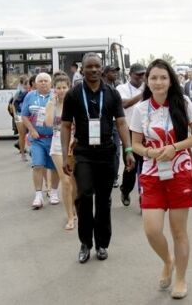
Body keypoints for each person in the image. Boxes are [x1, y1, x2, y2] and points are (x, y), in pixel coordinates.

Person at [130, 59, 192, 299]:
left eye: (163, 77)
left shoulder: (182, 103)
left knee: (179, 231)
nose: (158, 82)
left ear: (170, 80)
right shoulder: (141, 109)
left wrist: (175, 147)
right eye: (153, 78)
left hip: (180, 172)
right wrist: (149, 152)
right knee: (152, 230)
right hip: (151, 174)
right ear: (147, 81)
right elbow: (135, 145)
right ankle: (167, 260)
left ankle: (181, 279)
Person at [60, 52, 135, 264]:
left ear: (101, 69)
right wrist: (66, 154)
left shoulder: (111, 94)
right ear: (82, 69)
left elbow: (121, 122)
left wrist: (128, 151)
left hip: (107, 152)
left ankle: (102, 244)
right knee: (84, 197)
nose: (93, 70)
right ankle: (85, 243)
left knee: (104, 200)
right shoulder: (73, 94)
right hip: (83, 152)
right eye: (89, 66)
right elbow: (65, 126)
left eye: (97, 66)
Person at [22, 73, 60, 208]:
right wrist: (31, 130)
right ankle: (38, 195)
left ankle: (54, 192)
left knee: (55, 168)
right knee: (37, 165)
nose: (43, 83)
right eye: (40, 81)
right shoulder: (30, 96)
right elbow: (24, 116)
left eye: (46, 81)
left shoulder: (56, 95)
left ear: (50, 83)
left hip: (54, 138)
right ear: (35, 84)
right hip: (37, 139)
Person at [45, 73, 78, 230]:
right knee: (65, 181)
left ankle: (75, 208)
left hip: (75, 145)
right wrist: (53, 104)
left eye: (64, 87)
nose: (62, 90)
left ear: (69, 87)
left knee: (74, 182)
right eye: (58, 88)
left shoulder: (76, 102)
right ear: (54, 89)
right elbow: (48, 123)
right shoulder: (51, 104)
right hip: (58, 146)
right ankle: (70, 216)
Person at [116, 63, 146, 206]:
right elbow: (125, 104)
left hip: (146, 131)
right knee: (131, 165)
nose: (141, 78)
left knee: (146, 165)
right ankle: (126, 190)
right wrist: (144, 94)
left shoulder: (147, 87)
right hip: (128, 132)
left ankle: (143, 196)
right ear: (130, 74)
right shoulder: (121, 88)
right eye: (138, 75)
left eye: (143, 75)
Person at [102, 65, 122, 187]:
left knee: (116, 152)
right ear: (104, 74)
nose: (115, 74)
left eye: (116, 72)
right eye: (112, 71)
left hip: (116, 123)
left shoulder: (118, 87)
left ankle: (114, 177)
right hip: (103, 123)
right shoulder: (99, 87)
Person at [12, 75, 30, 161]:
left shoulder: (31, 92)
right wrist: (15, 115)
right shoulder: (19, 93)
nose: (28, 85)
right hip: (19, 115)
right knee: (22, 134)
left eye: (29, 84)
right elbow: (13, 104)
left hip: (28, 116)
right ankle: (22, 153)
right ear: (23, 84)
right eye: (26, 84)